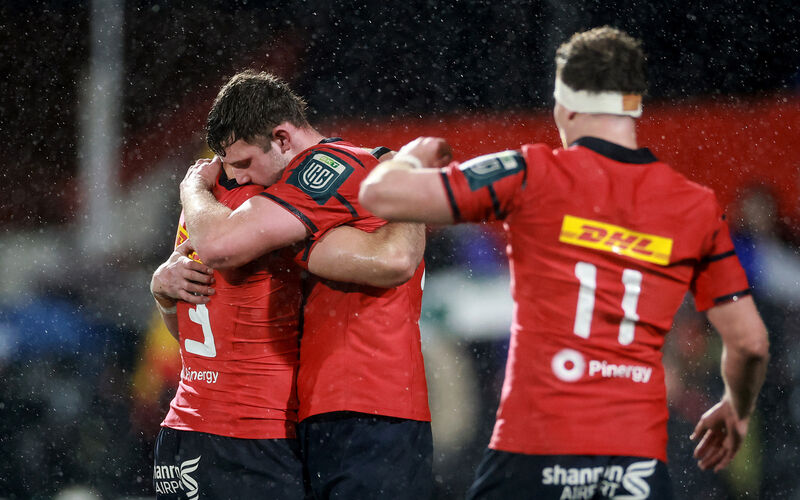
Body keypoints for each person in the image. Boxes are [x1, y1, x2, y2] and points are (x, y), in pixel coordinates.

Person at [358, 26, 769, 499]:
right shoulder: (697, 207)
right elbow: (750, 341)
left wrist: (411, 159)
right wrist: (736, 408)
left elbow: (381, 194)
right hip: (633, 464)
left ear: (564, 103)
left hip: (534, 452)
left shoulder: (531, 172)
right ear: (634, 105)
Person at [178, 70, 432, 499]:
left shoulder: (328, 165)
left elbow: (221, 245)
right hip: (326, 409)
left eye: (243, 163)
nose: (238, 179)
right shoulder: (297, 192)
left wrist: (191, 189)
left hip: (371, 406)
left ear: (281, 139)